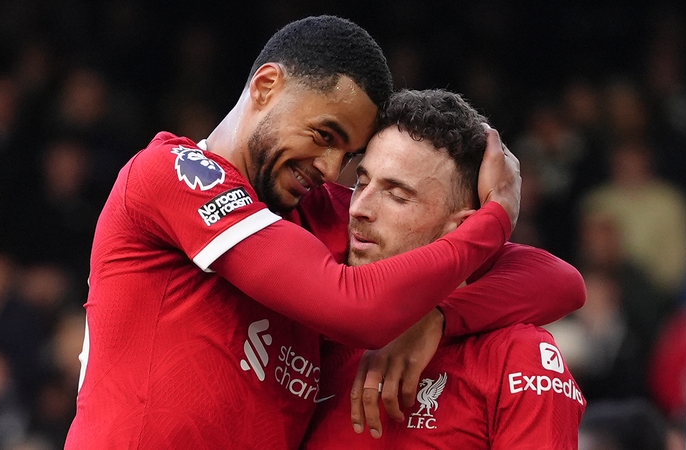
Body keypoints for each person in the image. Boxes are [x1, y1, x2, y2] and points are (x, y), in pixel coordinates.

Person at [65, 16, 579, 450]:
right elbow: (356, 309)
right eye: (324, 135)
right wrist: (500, 211)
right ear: (266, 88)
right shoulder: (172, 173)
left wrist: (438, 319)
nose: (330, 168)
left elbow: (558, 280)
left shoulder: (311, 213)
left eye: (348, 156)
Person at [301, 90, 585, 449]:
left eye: (397, 195)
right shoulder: (318, 322)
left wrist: (434, 318)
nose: (359, 208)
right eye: (361, 181)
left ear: (464, 228)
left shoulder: (517, 356)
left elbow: (565, 281)